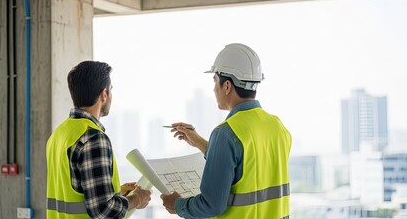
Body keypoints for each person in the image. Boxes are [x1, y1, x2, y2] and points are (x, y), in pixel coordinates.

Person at [161, 43, 292, 218]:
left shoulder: (226, 133)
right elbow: (249, 167)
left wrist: (177, 205)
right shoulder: (277, 126)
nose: (214, 88)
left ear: (227, 86)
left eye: (215, 81)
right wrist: (200, 142)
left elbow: (211, 205)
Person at [46, 61, 152, 218]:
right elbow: (103, 209)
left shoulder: (59, 134)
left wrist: (117, 192)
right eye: (111, 90)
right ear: (104, 94)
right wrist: (137, 199)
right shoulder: (93, 138)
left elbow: (74, 191)